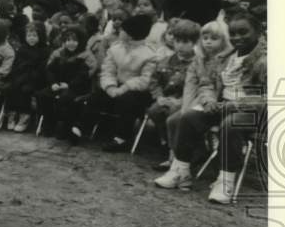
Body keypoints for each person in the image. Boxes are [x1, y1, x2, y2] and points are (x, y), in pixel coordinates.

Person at [155, 13, 266, 202]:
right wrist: (209, 101)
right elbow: (206, 82)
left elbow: (266, 98)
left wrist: (231, 106)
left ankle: (225, 181)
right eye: (233, 33)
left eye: (243, 32)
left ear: (259, 32)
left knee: (230, 125)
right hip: (222, 105)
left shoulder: (264, 61)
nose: (237, 37)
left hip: (253, 113)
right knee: (188, 117)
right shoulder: (225, 57)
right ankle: (181, 171)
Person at [81, 13, 157, 151]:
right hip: (116, 86)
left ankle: (122, 138)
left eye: (123, 30)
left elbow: (145, 79)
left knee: (127, 100)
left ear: (130, 34)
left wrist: (124, 88)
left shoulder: (150, 54)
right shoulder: (116, 49)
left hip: (137, 92)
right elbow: (107, 70)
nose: (120, 32)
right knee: (97, 95)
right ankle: (81, 128)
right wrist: (110, 87)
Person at [146, 19, 199, 153]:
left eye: (185, 42)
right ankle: (166, 142)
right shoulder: (166, 61)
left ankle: (178, 150)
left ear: (195, 43)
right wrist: (159, 97)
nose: (180, 46)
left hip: (186, 101)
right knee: (154, 110)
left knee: (173, 115)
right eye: (177, 41)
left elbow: (198, 87)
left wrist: (181, 101)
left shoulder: (198, 64)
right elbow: (154, 81)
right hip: (166, 98)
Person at [36, 25, 94, 142]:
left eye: (74, 40)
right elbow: (50, 70)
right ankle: (49, 122)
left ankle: (66, 126)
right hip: (59, 84)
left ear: (81, 41)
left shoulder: (85, 56)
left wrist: (70, 85)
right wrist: (53, 83)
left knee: (66, 98)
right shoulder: (59, 54)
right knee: (43, 95)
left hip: (77, 87)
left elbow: (84, 76)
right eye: (68, 40)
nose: (70, 43)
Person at [2, 20, 49, 132]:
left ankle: (24, 115)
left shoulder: (44, 51)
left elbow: (42, 70)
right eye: (29, 35)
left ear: (40, 36)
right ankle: (12, 114)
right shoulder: (22, 49)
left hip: (36, 79)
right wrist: (18, 76)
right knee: (11, 87)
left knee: (25, 89)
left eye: (34, 35)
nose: (31, 38)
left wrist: (29, 76)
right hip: (21, 76)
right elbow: (16, 66)